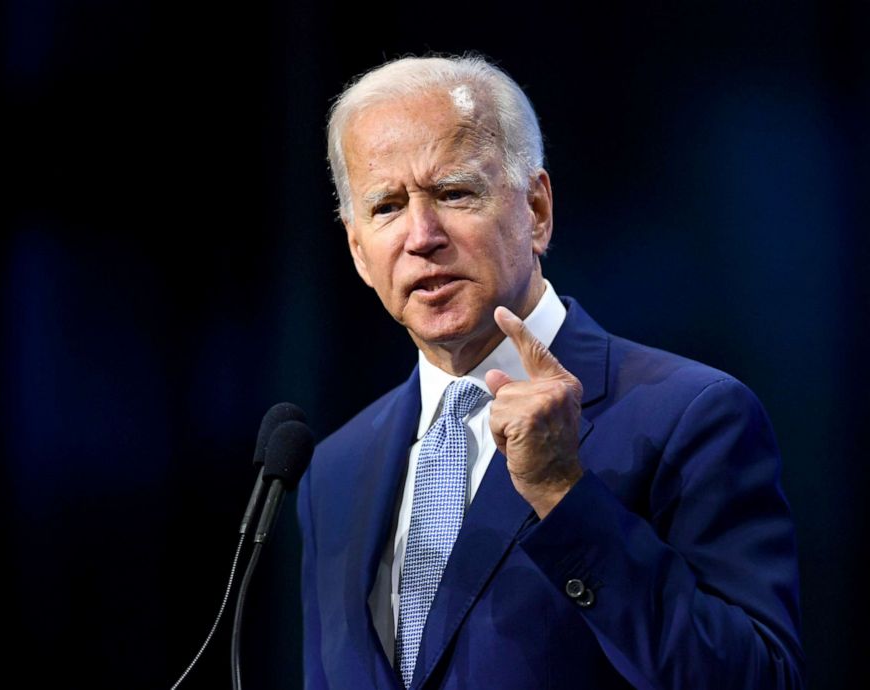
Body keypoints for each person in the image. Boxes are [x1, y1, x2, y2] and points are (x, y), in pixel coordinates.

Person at [296, 54, 804, 690]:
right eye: (386, 207)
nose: (421, 235)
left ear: (536, 210)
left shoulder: (691, 415)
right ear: (358, 251)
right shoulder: (335, 471)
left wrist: (564, 494)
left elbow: (760, 679)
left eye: (454, 193)